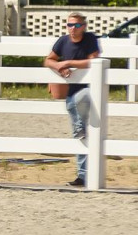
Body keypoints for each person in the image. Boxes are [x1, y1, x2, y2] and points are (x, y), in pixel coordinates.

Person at [43, 12, 101, 187]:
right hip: (72, 90)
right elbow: (48, 60)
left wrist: (68, 63)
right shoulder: (63, 41)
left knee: (75, 108)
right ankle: (83, 175)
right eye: (69, 25)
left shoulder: (90, 39)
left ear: (83, 26)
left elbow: (94, 61)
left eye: (76, 25)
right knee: (81, 134)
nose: (72, 29)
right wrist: (59, 66)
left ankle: (84, 173)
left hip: (89, 90)